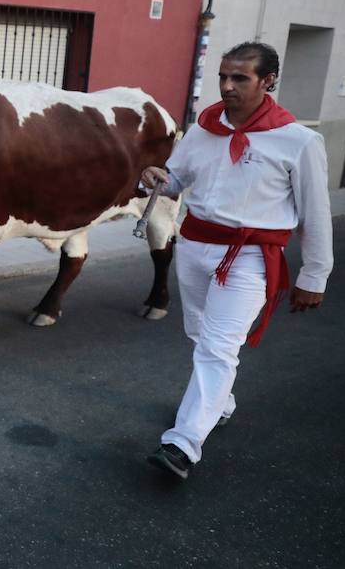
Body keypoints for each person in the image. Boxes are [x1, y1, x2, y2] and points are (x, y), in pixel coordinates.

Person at [141, 41, 332, 481]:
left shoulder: (299, 141)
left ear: (268, 82)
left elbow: (316, 214)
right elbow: (177, 180)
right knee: (198, 333)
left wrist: (314, 276)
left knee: (218, 347)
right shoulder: (204, 130)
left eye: (240, 78)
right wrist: (156, 178)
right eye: (223, 77)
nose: (227, 86)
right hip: (193, 246)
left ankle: (182, 445)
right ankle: (220, 403)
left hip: (248, 258)